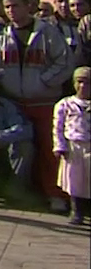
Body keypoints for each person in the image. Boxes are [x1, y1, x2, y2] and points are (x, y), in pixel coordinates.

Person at [0, 0, 74, 213]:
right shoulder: (1, 36)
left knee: (50, 150)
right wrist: (3, 79)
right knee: (19, 149)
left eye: (15, 6)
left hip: (44, 100)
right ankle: (22, 192)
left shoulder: (47, 32)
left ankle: (56, 194)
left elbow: (65, 62)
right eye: (7, 7)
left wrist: (44, 81)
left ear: (28, 6)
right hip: (15, 102)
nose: (11, 11)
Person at [54, 66, 91, 224]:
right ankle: (76, 210)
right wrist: (60, 146)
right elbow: (58, 127)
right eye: (80, 82)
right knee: (74, 180)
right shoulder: (65, 104)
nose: (83, 86)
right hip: (73, 147)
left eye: (88, 83)